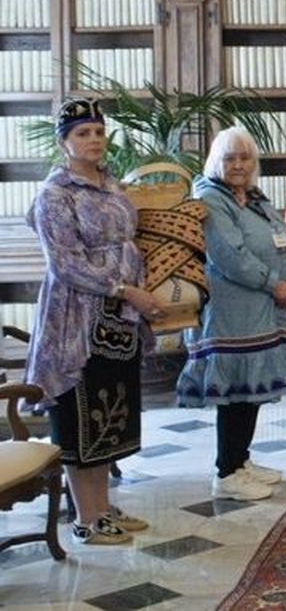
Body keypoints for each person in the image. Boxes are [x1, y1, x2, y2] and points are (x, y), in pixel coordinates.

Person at [25, 97, 166, 544]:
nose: (93, 140)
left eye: (99, 132)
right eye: (83, 133)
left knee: (111, 412)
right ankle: (85, 519)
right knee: (80, 412)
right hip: (76, 317)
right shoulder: (55, 194)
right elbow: (64, 263)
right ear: (64, 142)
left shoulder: (112, 185)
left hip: (119, 317)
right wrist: (126, 289)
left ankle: (103, 507)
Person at [177, 127, 286, 500]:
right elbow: (229, 255)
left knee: (249, 391)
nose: (238, 165)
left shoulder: (254, 198)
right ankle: (226, 471)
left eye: (245, 158)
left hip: (263, 309)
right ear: (216, 160)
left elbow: (282, 239)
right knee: (234, 391)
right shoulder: (211, 198)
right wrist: (273, 283)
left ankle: (241, 460)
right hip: (231, 312)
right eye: (230, 157)